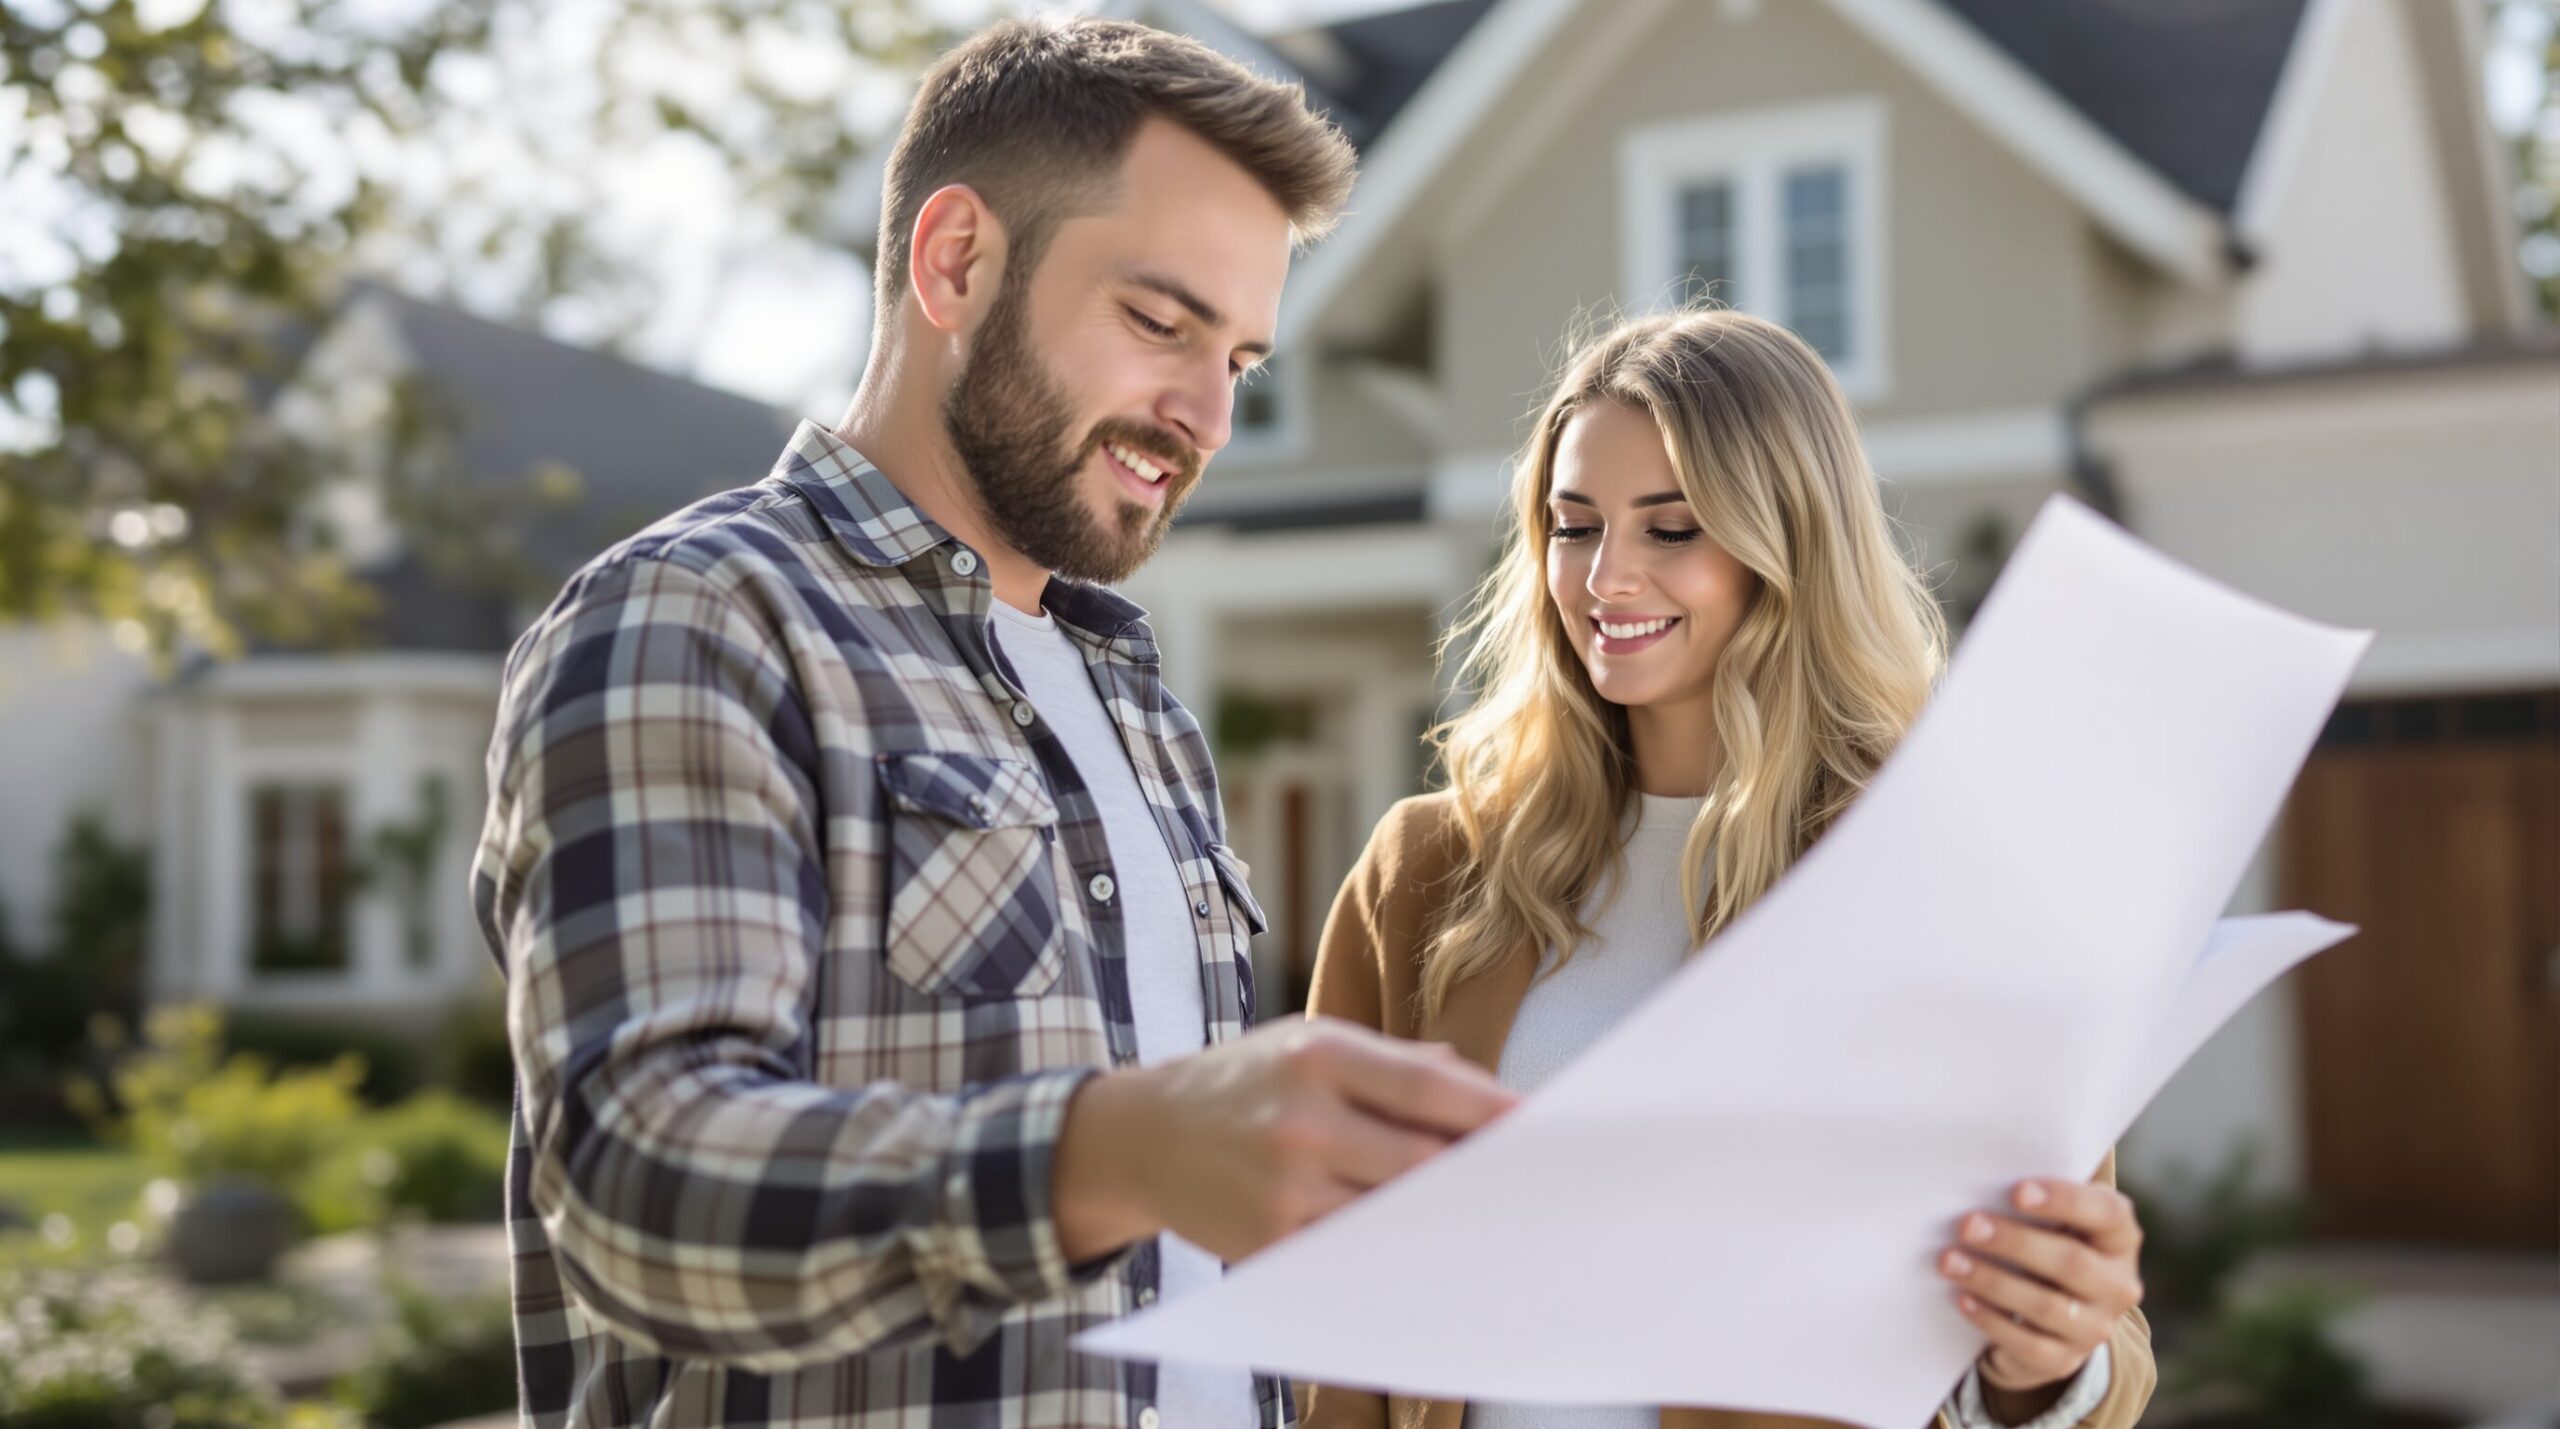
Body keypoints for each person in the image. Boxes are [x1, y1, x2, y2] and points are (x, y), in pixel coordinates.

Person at [469, 17, 1516, 1428]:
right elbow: (639, 1190)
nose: (1206, 416)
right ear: (956, 260)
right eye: (1160, 324)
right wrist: (1121, 1151)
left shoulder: (1136, 705)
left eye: (1242, 362)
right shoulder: (698, 619)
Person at [1299, 310, 2156, 1429]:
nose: (1605, 576)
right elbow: (1325, 1306)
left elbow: (2090, 1348)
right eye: (1573, 525)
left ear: (1785, 544)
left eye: (1670, 529)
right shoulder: (1424, 871)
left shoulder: (1947, 886)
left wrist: (2044, 1361)